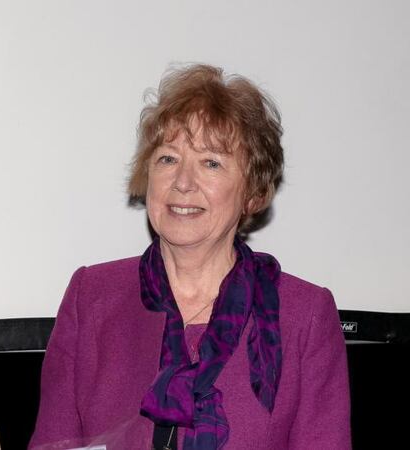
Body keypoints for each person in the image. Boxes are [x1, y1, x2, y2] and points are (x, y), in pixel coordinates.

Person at [29, 64, 350, 449]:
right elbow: (51, 442)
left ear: (252, 190)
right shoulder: (92, 296)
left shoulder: (304, 315)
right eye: (168, 158)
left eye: (211, 163)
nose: (182, 182)